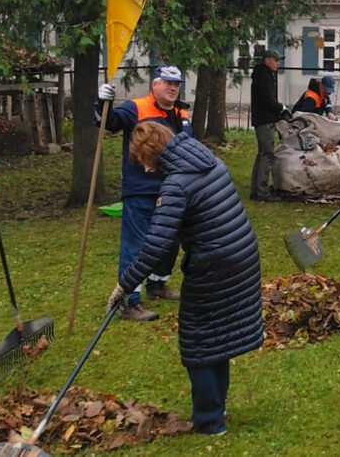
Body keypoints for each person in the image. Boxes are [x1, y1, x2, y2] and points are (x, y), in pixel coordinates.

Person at [106, 121, 263, 435]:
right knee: (217, 337)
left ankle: (209, 422)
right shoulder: (209, 161)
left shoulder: (176, 184)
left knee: (198, 342)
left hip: (215, 265)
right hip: (242, 254)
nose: (147, 170)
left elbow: (156, 246)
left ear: (153, 153)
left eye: (143, 162)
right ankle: (216, 407)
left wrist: (124, 286)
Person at [94, 65, 192, 321]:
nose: (173, 88)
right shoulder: (136, 108)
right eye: (167, 83)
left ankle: (157, 284)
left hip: (172, 190)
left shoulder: (181, 114)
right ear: (154, 85)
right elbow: (109, 122)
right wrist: (102, 102)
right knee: (137, 245)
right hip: (140, 190)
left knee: (170, 241)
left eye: (177, 84)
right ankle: (129, 301)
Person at [250, 49, 289, 201]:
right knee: (267, 155)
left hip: (262, 119)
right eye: (275, 60)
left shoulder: (262, 75)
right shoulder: (264, 77)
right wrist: (282, 108)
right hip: (265, 120)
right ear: (267, 60)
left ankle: (256, 190)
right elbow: (267, 101)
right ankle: (262, 192)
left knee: (261, 155)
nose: (278, 63)